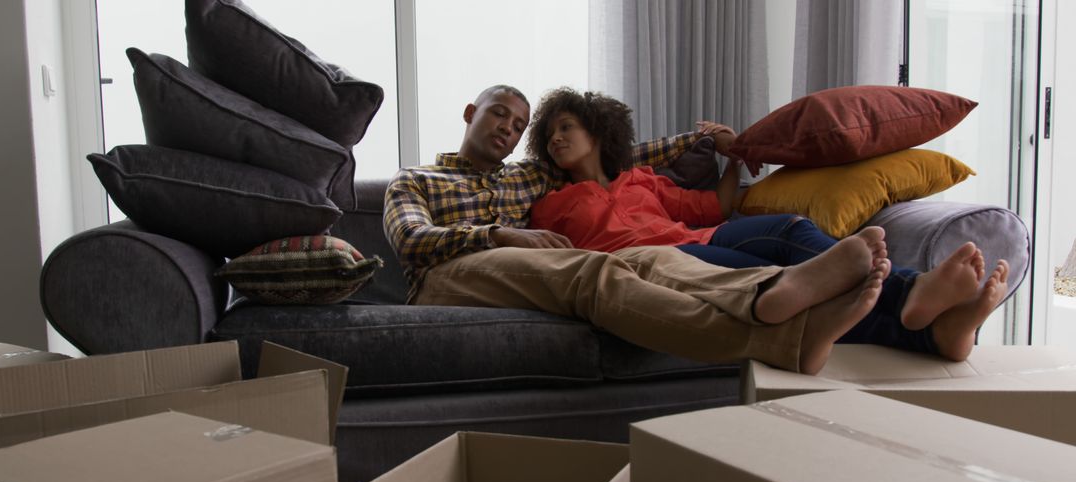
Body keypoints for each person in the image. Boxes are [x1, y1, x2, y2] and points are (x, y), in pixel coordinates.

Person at [383, 84, 895, 375]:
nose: (507, 128)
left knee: (624, 265)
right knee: (594, 271)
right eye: (498, 114)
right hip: (446, 275)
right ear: (471, 114)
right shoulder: (415, 179)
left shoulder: (526, 176)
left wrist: (710, 142)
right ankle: (782, 332)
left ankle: (786, 308)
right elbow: (410, 241)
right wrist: (497, 234)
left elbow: (623, 157)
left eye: (518, 125)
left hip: (523, 269)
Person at [525, 87, 1010, 361]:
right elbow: (554, 258)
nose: (556, 139)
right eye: (549, 136)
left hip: (702, 236)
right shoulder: (550, 205)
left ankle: (920, 302)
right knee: (785, 285)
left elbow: (715, 208)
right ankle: (928, 326)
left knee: (792, 230)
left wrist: (732, 154)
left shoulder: (642, 180)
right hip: (668, 261)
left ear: (596, 131)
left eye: (566, 127)